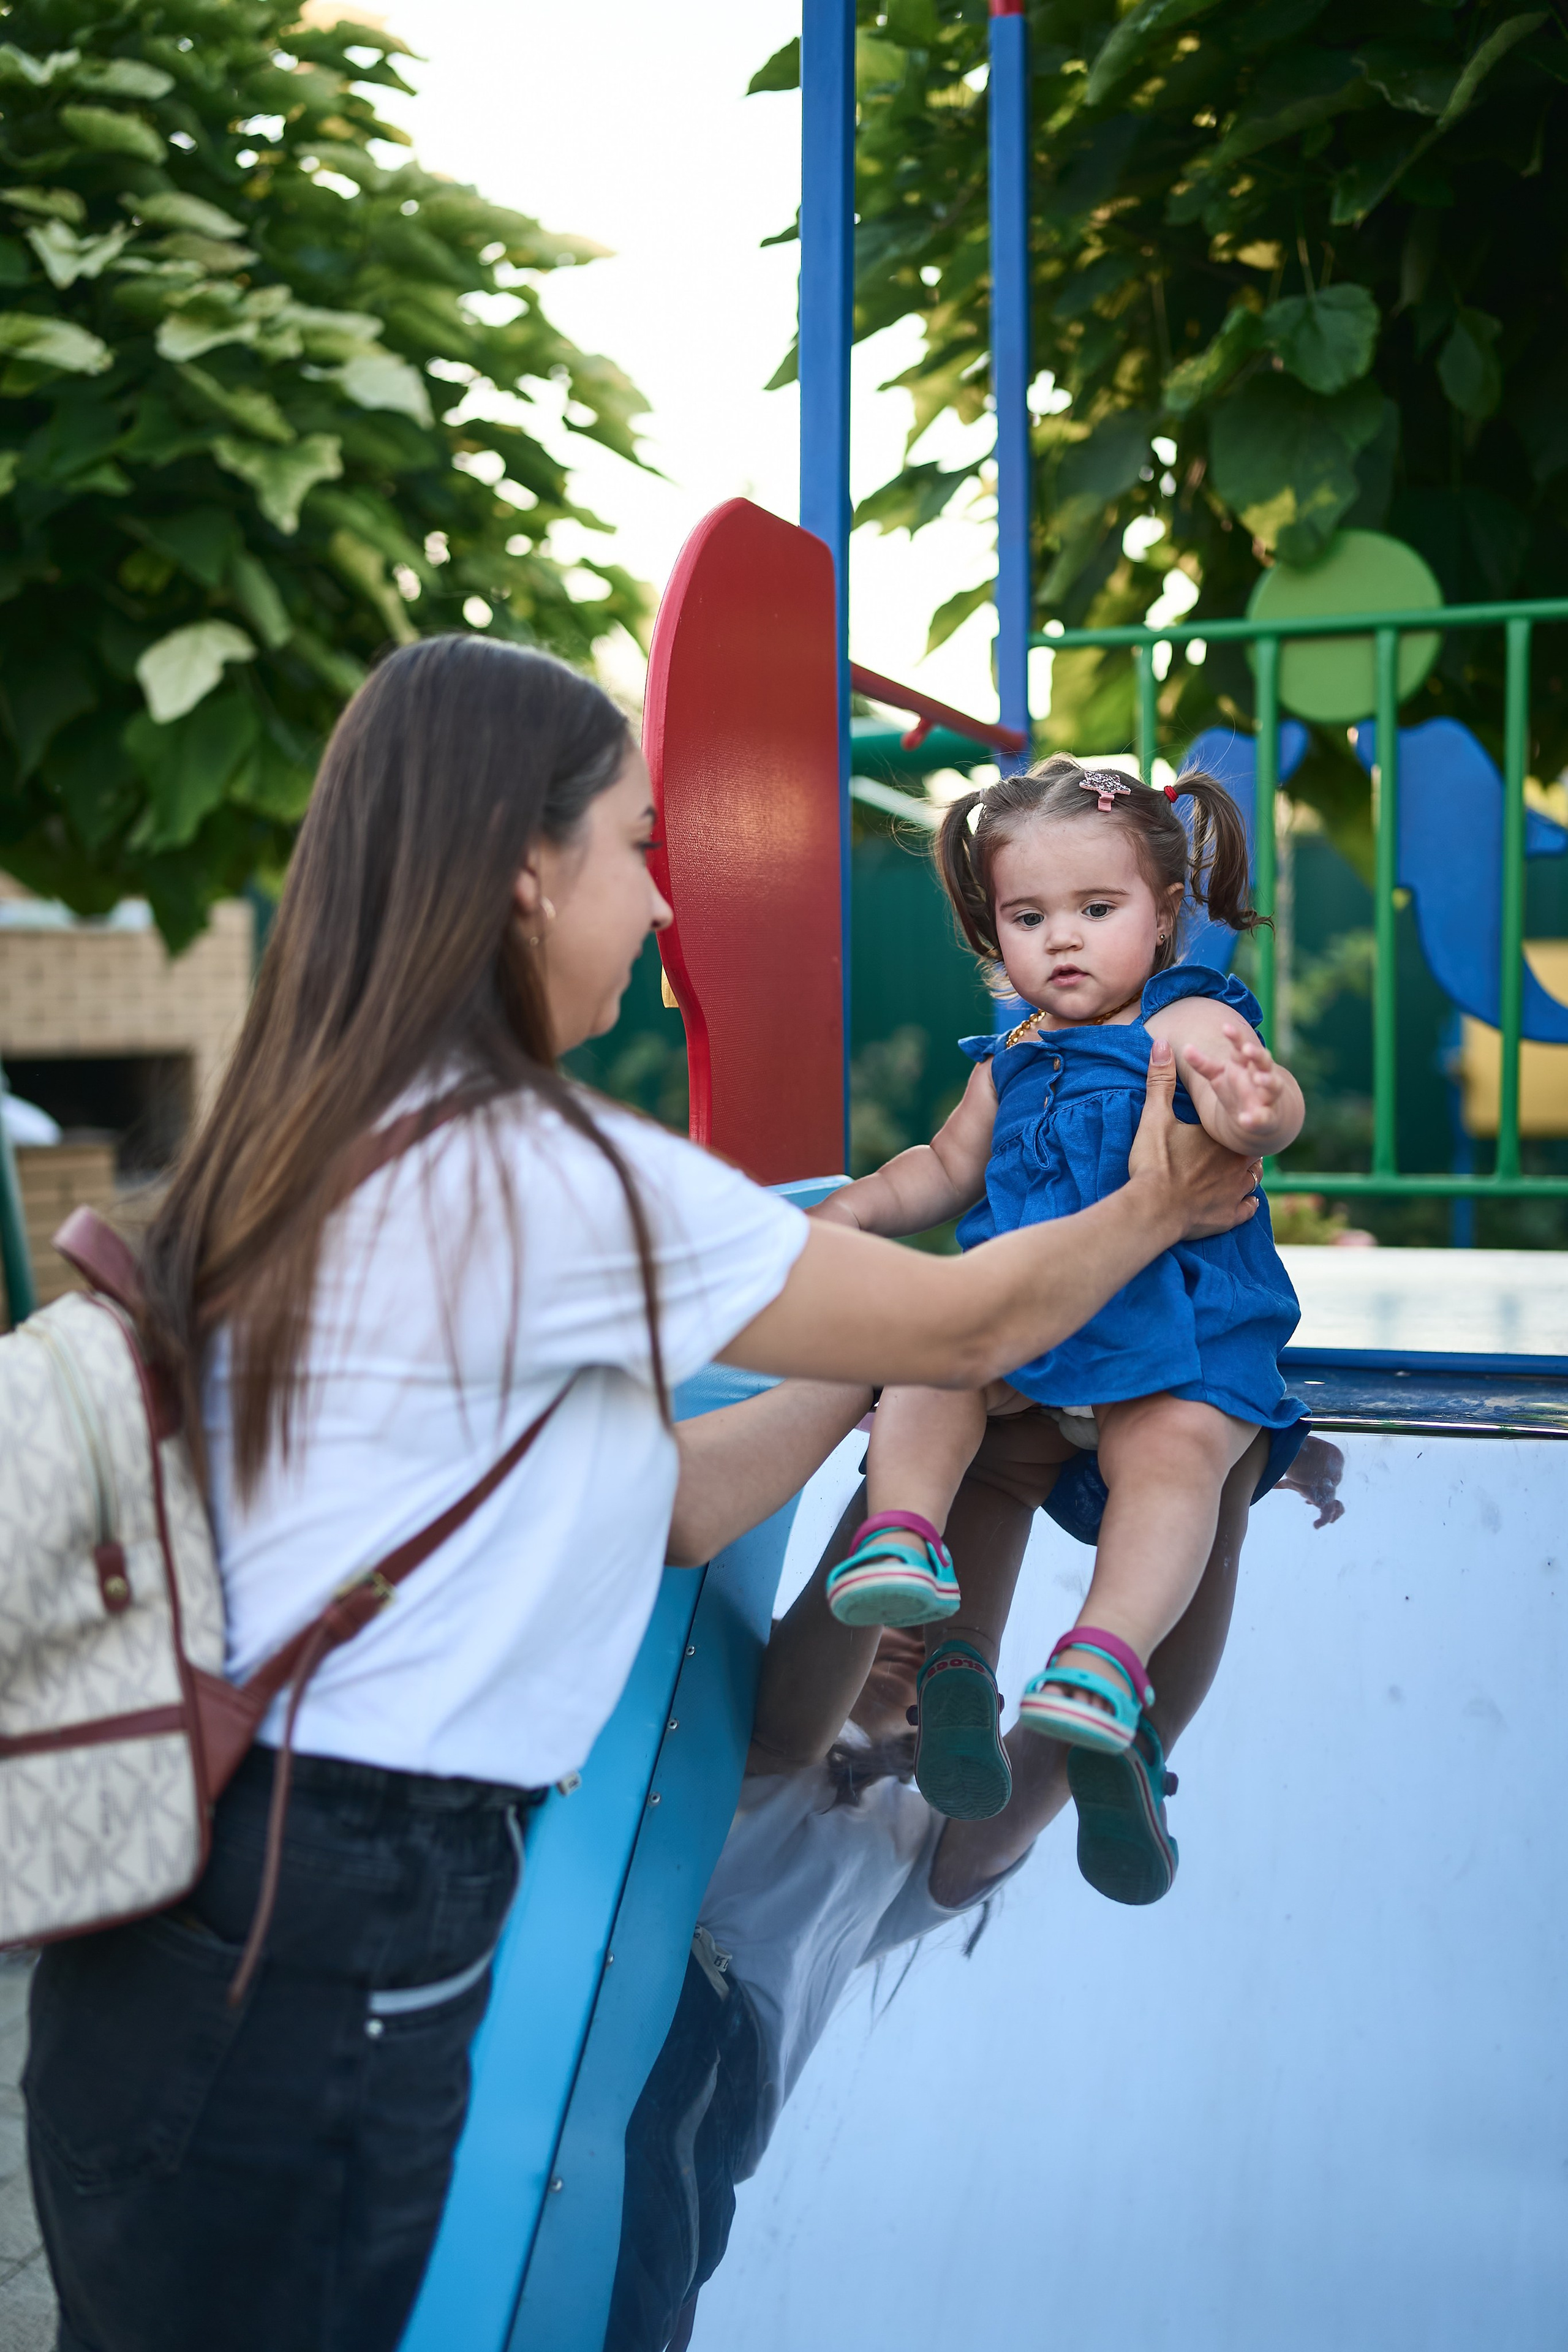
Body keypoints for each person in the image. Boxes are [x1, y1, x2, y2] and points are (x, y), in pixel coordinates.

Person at [23, 641, 1262, 2352]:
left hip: (163, 1926)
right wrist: (1160, 1216)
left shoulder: (297, 1142)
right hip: (344, 1931)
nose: (661, 911)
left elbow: (667, 1502)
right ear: (527, 875)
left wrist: (891, 1392)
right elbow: (982, 1316)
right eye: (630, 850)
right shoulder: (551, 1171)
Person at [609, 1408, 1348, 2352]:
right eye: (918, 1601)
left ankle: (1135, 1695)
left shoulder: (922, 1830)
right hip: (661, 1995)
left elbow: (1039, 1773)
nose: (914, 1637)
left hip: (716, 2078)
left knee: (641, 2289)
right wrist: (928, 1436)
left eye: (945, 1613)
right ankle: (915, 1527)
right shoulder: (754, 1706)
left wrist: (1219, 1490)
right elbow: (801, 1709)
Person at [815, 756, 1309, 1868]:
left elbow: (1258, 1105)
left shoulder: (1182, 1020)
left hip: (1175, 1329)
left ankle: (1102, 1656)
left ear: (1166, 913)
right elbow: (943, 1167)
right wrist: (856, 1210)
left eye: (1098, 909)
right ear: (997, 932)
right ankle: (902, 1537)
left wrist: (1264, 1112)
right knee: (937, 1361)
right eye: (1029, 917)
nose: (1065, 940)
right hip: (1033, 1325)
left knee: (1176, 1458)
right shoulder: (1011, 1060)